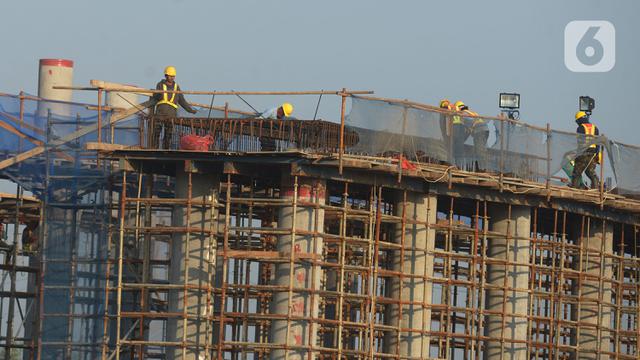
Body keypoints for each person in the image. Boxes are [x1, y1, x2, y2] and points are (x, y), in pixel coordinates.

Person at [151, 66, 198, 149]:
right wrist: (156, 94)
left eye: (173, 76)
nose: (172, 78)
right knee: (156, 133)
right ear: (166, 76)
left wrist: (190, 110)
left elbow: (182, 100)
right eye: (170, 76)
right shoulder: (160, 85)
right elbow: (155, 97)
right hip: (160, 114)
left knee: (168, 134)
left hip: (171, 115)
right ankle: (154, 149)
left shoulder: (176, 87)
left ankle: (165, 150)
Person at [571, 111, 601, 189]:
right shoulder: (595, 128)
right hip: (593, 152)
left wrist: (577, 154)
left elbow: (579, 142)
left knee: (577, 172)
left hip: (584, 151)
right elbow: (598, 142)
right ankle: (596, 188)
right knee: (590, 172)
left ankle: (574, 188)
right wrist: (597, 153)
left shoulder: (580, 128)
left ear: (579, 120)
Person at [462, 105, 489, 171]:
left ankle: (482, 168)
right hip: (484, 130)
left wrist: (462, 140)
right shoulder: (470, 112)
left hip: (479, 131)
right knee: (480, 149)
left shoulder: (464, 116)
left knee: (479, 150)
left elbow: (467, 130)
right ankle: (482, 167)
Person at [451, 101, 470, 167]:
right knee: (457, 151)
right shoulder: (455, 114)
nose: (463, 111)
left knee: (457, 151)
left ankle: (457, 166)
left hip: (458, 133)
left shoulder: (461, 117)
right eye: (461, 108)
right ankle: (456, 166)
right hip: (457, 131)